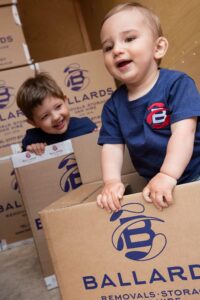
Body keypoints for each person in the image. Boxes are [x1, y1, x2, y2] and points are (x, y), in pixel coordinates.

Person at [96, 2, 200, 212]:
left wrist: (168, 174)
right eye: (108, 47)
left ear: (158, 47)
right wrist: (111, 181)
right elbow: (112, 147)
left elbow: (183, 134)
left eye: (129, 39)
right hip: (156, 182)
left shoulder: (177, 85)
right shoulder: (113, 106)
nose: (117, 49)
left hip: (195, 170)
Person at [16, 72, 97, 154]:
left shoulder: (85, 126)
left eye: (58, 107)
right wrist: (32, 150)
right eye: (45, 116)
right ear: (33, 122)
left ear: (65, 100)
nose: (56, 117)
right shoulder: (32, 139)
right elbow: (23, 161)